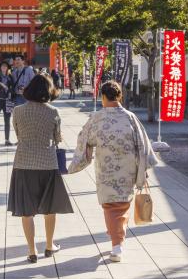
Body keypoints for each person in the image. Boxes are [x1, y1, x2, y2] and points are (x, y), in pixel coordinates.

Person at [68, 81, 158, 263]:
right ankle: (117, 237)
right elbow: (143, 144)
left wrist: (78, 162)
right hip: (127, 169)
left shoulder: (97, 118)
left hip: (106, 169)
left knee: (111, 205)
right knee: (122, 204)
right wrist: (142, 167)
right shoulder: (130, 117)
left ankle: (117, 245)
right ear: (119, 96)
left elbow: (84, 139)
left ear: (102, 97)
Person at [7, 74, 74, 263]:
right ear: (49, 91)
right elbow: (58, 137)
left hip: (23, 162)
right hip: (47, 163)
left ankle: (31, 250)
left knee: (26, 211)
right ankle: (49, 245)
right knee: (49, 208)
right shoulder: (53, 111)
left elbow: (19, 134)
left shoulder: (18, 111)